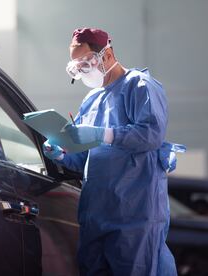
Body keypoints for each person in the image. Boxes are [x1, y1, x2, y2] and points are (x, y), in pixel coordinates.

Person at [43, 28, 181, 275]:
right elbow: (86, 157)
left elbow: (150, 134)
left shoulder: (140, 86)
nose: (84, 71)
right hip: (95, 215)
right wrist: (62, 153)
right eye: (78, 67)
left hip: (134, 217)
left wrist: (103, 134)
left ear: (107, 54)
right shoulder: (92, 99)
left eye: (87, 63)